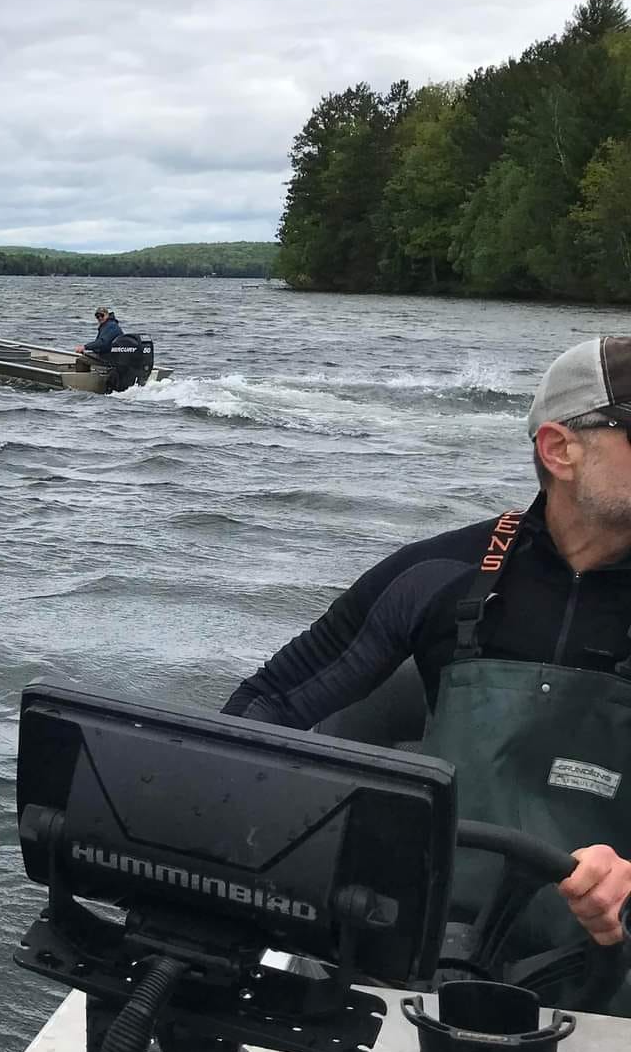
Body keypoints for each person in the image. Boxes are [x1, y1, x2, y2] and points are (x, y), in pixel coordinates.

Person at [224, 335, 631, 1004]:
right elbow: (268, 706)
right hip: (426, 954)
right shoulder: (440, 575)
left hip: (611, 978)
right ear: (561, 449)